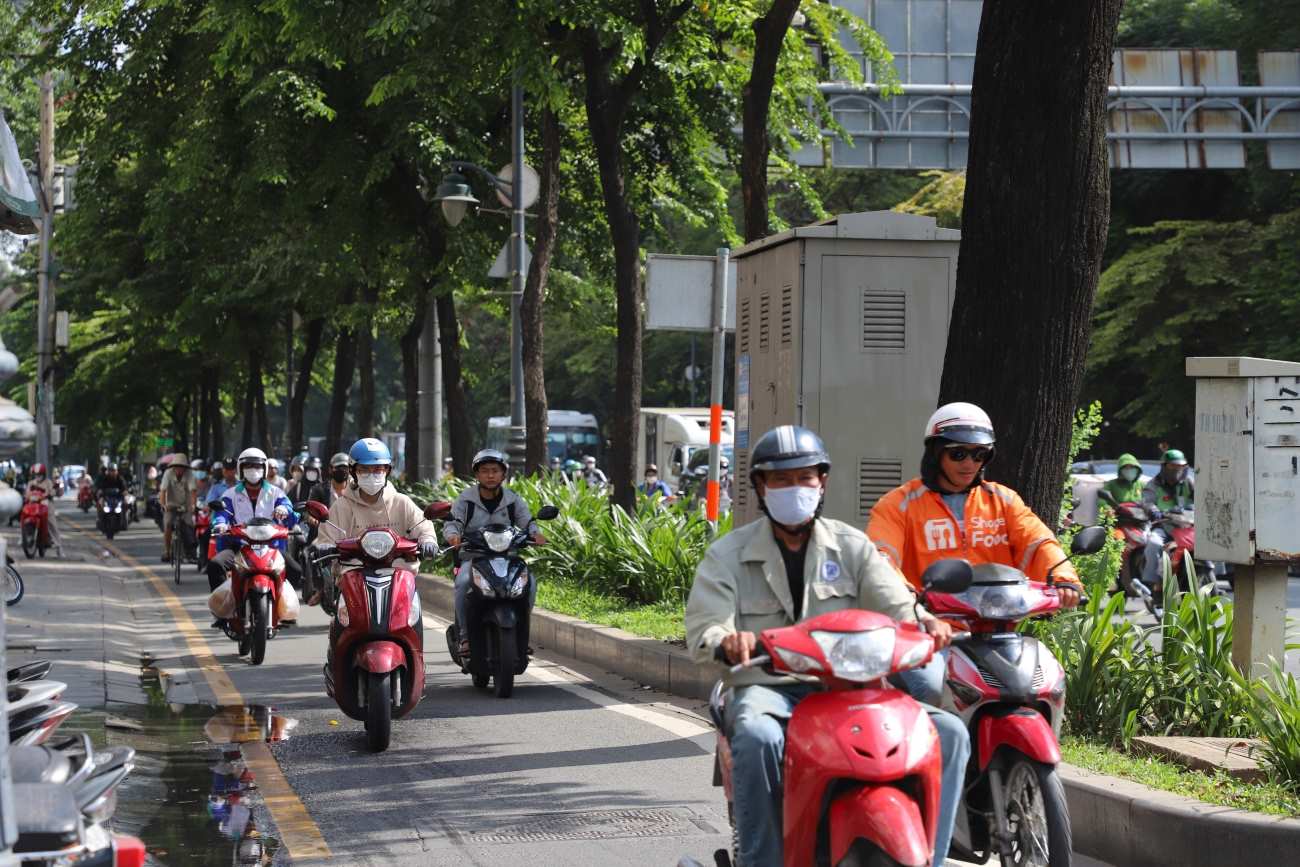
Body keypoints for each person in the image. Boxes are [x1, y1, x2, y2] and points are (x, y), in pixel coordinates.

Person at [686, 425, 966, 867]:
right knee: (758, 738)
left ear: (822, 483)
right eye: (780, 480)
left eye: (804, 478)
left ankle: (932, 856)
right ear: (760, 486)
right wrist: (726, 640)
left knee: (949, 733)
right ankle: (762, 860)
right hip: (770, 687)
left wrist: (926, 623)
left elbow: (898, 606)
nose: (793, 488)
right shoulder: (728, 555)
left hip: (852, 690)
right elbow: (705, 628)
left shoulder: (852, 546)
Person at [868, 402, 1081, 707]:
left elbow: (1037, 540)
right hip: (928, 633)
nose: (970, 463)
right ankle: (929, 753)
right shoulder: (898, 504)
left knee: (1044, 687)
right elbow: (881, 556)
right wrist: (905, 596)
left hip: (995, 634)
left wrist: (1064, 579)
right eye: (959, 453)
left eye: (979, 454)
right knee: (930, 688)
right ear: (935, 452)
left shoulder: (1003, 500)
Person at [441, 449, 542, 656]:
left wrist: (535, 534)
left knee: (529, 583)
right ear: (477, 475)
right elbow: (453, 523)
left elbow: (527, 521)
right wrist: (453, 536)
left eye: (495, 471)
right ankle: (465, 636)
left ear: (503, 474)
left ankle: (520, 634)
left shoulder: (513, 500)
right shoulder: (466, 500)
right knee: (462, 583)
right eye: (485, 471)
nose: (490, 475)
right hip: (474, 558)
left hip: (508, 558)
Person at [312, 437, 438, 583]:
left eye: (378, 469)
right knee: (344, 606)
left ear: (387, 471)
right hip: (353, 578)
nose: (372, 475)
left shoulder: (401, 502)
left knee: (413, 607)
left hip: (399, 577)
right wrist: (325, 546)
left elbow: (423, 526)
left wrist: (428, 540)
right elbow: (327, 536)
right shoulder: (342, 506)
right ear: (353, 471)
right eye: (364, 469)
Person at [207, 448, 299, 622]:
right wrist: (219, 523)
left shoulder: (275, 492)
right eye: (248, 465)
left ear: (264, 468)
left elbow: (290, 509)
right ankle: (223, 610)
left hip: (271, 547)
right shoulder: (231, 494)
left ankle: (284, 608)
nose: (253, 469)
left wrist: (284, 509)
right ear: (240, 468)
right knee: (215, 565)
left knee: (295, 570)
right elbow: (222, 513)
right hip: (239, 546)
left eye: (257, 465)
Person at [1136, 448, 1195, 593]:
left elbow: (1203, 498)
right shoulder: (1153, 484)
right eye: (1172, 466)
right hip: (1164, 526)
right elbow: (1147, 501)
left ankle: (1212, 577)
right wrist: (1153, 510)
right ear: (1164, 466)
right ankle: (1153, 584)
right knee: (1153, 544)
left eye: (1180, 466)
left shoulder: (1189, 482)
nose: (1176, 469)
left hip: (1187, 527)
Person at [159, 453, 198, 562]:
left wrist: (193, 506)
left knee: (190, 524)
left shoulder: (190, 474)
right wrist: (163, 505)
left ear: (185, 467)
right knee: (167, 524)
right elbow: (163, 491)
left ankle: (190, 551)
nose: (179, 469)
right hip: (171, 504)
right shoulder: (168, 474)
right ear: (174, 466)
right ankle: (167, 551)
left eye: (181, 467)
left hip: (186, 505)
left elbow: (193, 491)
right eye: (177, 466)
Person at [24, 463, 63, 556]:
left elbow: (53, 491)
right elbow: (27, 493)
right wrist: (27, 497)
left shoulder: (48, 482)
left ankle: (59, 547)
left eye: (40, 475)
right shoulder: (31, 483)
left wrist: (49, 494)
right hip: (33, 505)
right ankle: (24, 537)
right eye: (36, 475)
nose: (38, 477)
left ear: (43, 474)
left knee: (52, 524)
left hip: (46, 505)